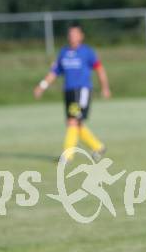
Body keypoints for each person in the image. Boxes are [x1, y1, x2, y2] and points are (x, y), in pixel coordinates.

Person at [34, 24, 111, 162]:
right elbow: (54, 72)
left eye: (75, 34)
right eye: (70, 34)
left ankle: (68, 155)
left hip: (81, 91)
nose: (72, 37)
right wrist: (42, 86)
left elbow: (99, 69)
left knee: (73, 121)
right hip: (69, 92)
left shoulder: (87, 52)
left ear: (81, 36)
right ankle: (98, 147)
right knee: (76, 123)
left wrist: (105, 87)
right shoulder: (63, 52)